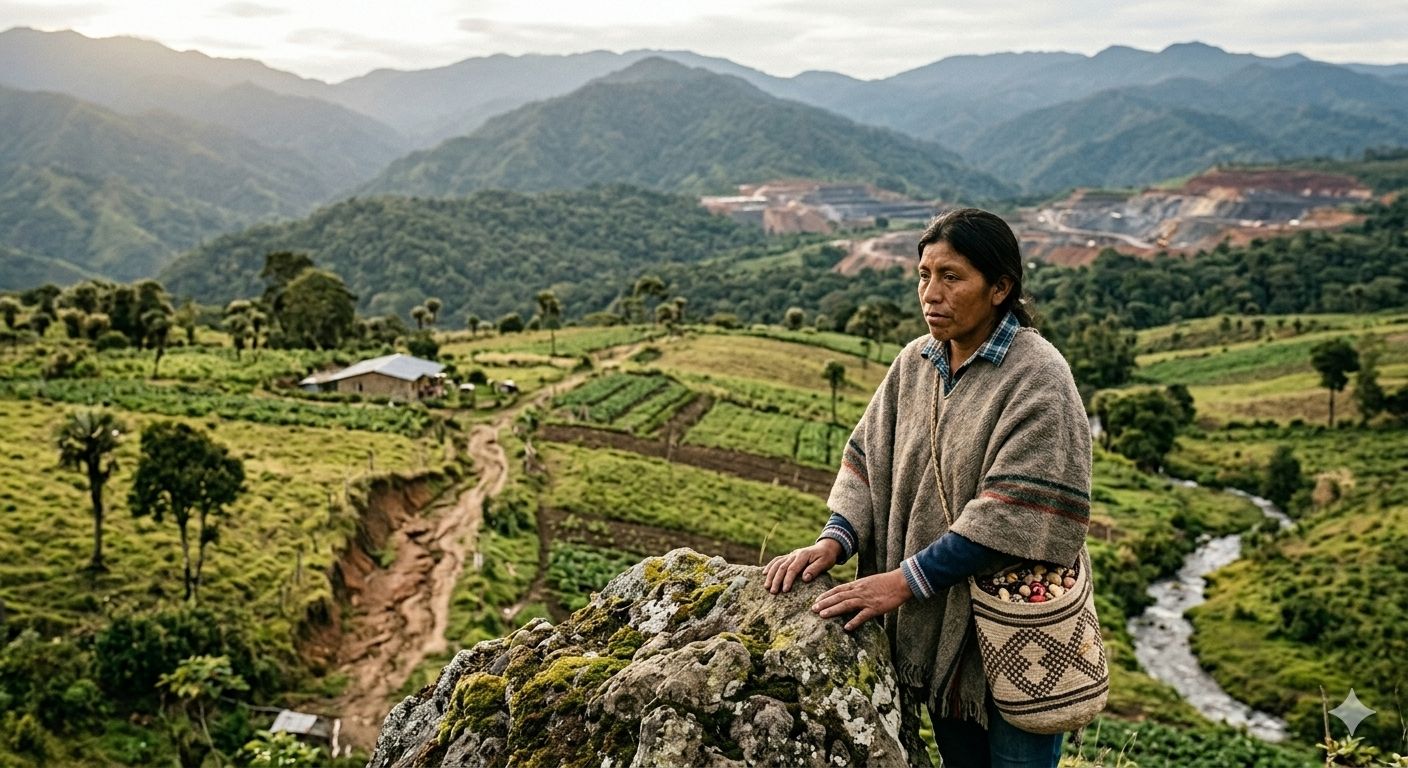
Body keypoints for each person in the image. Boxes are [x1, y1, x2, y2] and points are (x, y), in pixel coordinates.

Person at [764, 208, 1092, 768]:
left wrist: (903, 580)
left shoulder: (1038, 375)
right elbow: (868, 461)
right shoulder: (914, 364)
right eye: (923, 275)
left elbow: (1011, 513)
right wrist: (833, 541)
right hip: (941, 629)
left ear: (1000, 288)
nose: (930, 293)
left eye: (951, 277)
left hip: (1018, 631)